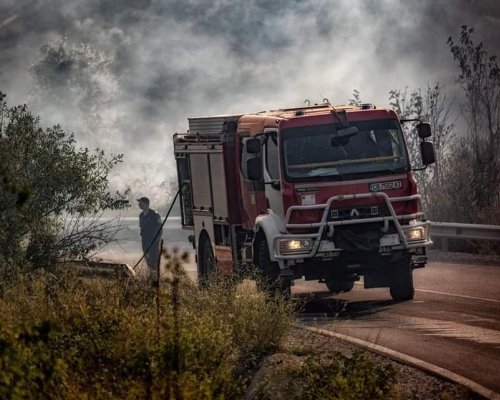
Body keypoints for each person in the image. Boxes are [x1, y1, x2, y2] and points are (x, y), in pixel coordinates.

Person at [137, 197, 163, 278]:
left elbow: (159, 227)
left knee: (154, 259)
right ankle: (151, 275)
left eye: (140, 203)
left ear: (145, 204)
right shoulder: (141, 215)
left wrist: (157, 238)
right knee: (147, 258)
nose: (139, 204)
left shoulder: (154, 214)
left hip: (153, 241)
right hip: (145, 241)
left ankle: (155, 276)